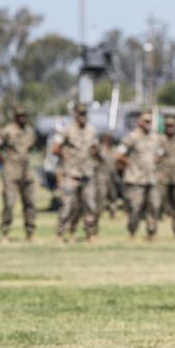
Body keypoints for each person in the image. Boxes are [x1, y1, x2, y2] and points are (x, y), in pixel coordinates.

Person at [52, 103, 100, 243]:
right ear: (75, 114)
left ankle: (90, 233)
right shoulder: (66, 130)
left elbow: (94, 148)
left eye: (85, 113)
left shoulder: (91, 130)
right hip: (70, 173)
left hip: (87, 173)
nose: (83, 116)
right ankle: (60, 234)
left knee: (90, 205)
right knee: (68, 205)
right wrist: (67, 158)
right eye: (80, 114)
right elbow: (55, 149)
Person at [0, 106, 37, 243]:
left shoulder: (29, 131)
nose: (22, 118)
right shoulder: (7, 131)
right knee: (9, 203)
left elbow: (30, 148)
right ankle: (5, 233)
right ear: (15, 117)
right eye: (20, 116)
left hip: (27, 172)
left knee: (30, 203)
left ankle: (29, 233)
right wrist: (4, 163)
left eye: (24, 115)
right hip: (11, 172)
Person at [116, 113, 161, 241]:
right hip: (135, 178)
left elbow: (158, 154)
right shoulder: (131, 137)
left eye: (149, 121)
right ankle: (132, 232)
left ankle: (151, 233)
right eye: (145, 121)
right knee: (135, 207)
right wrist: (130, 163)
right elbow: (119, 155)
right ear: (139, 122)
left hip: (151, 179)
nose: (148, 124)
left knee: (154, 206)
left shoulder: (154, 138)